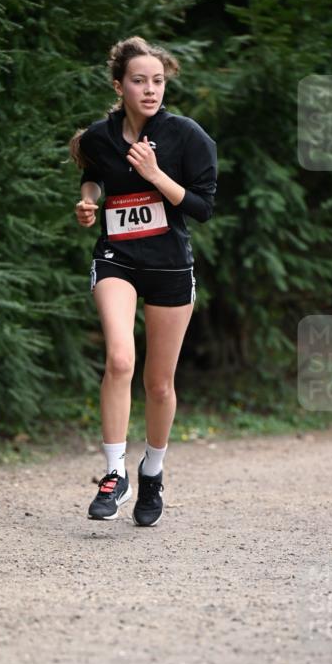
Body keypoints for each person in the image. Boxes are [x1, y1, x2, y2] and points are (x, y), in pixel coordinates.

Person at [69, 36, 217, 526]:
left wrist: (156, 175)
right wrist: (90, 201)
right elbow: (93, 174)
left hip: (170, 265)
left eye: (158, 81)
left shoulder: (187, 138)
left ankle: (151, 472)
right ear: (120, 86)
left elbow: (202, 208)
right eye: (139, 81)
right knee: (118, 358)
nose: (151, 89)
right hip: (117, 258)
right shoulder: (99, 137)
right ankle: (114, 474)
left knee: (159, 384)